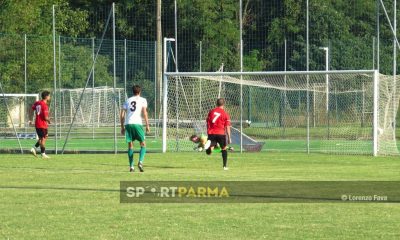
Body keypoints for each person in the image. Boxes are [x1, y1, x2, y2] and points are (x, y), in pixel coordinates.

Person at [120, 85, 150, 172]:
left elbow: (122, 115)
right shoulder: (143, 100)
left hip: (128, 124)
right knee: (143, 144)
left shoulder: (127, 100)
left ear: (132, 92)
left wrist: (122, 126)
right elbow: (144, 113)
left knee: (130, 145)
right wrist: (147, 125)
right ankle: (140, 162)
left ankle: (131, 167)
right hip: (137, 124)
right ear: (140, 92)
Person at [205, 98, 231, 170]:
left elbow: (207, 122)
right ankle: (224, 166)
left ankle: (209, 147)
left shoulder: (211, 112)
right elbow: (227, 127)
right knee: (224, 149)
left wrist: (208, 131)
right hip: (221, 133)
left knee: (209, 152)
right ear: (223, 104)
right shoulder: (225, 114)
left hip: (211, 133)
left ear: (216, 104)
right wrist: (229, 138)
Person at [30, 90, 51, 159]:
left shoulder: (37, 102)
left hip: (38, 124)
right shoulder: (44, 105)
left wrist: (30, 119)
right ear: (46, 97)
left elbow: (31, 109)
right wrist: (49, 121)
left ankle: (34, 148)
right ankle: (43, 154)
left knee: (45, 137)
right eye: (49, 96)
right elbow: (45, 117)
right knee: (42, 139)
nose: (50, 97)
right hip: (42, 124)